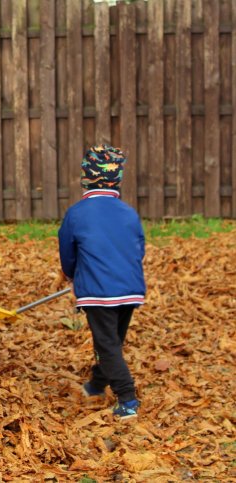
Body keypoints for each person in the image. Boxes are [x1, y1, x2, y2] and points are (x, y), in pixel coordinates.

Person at [55, 144, 146, 419]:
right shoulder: (129, 212)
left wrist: (72, 275)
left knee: (107, 345)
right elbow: (138, 248)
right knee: (111, 343)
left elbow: (67, 252)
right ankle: (96, 384)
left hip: (99, 291)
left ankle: (127, 398)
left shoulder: (77, 213)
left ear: (86, 176)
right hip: (129, 289)